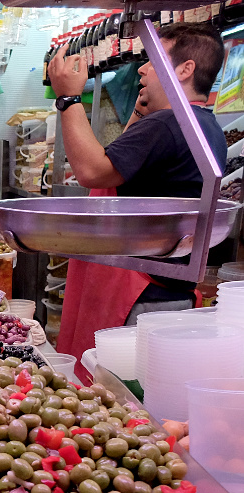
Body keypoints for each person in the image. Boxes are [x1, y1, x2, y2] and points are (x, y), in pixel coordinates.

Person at [47, 22, 227, 380]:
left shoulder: (167, 124)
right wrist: (138, 113)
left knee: (115, 399)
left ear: (185, 68)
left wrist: (68, 98)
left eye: (152, 59)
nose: (142, 69)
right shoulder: (203, 124)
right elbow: (123, 166)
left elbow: (94, 172)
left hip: (139, 294)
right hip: (161, 290)